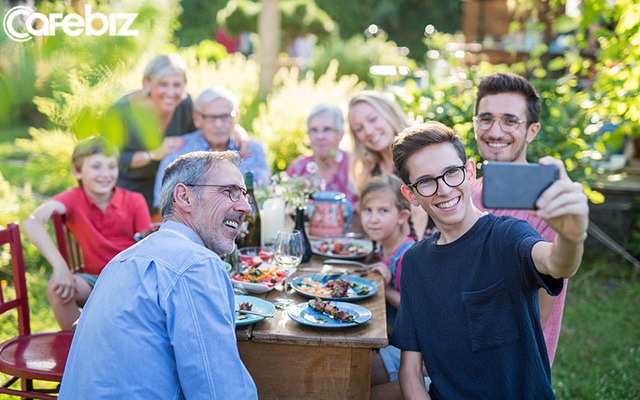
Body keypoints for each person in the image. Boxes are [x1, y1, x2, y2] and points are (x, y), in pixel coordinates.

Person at [390, 121, 588, 399]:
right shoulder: (414, 262)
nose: (444, 189)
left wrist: (571, 236)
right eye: (425, 181)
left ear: (469, 172)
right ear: (411, 194)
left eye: (451, 173)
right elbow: (410, 369)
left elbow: (557, 264)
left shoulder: (507, 235)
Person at [59, 150, 258, 399]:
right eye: (230, 192)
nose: (245, 206)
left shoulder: (123, 259)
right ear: (184, 197)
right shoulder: (196, 265)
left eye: (244, 194)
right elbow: (219, 392)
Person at [470, 72, 566, 366]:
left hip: (510, 366)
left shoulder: (545, 202)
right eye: (485, 118)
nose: (495, 131)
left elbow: (540, 311)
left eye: (510, 120)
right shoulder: (465, 193)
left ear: (532, 131)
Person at [22, 136, 151, 331]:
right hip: (95, 282)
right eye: (96, 166)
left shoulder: (135, 200)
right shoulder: (73, 199)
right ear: (77, 170)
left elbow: (148, 248)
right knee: (57, 288)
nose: (105, 174)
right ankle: (79, 344)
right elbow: (31, 223)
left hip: (131, 282)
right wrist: (60, 266)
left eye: (111, 166)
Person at [153, 86, 270, 209]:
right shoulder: (178, 152)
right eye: (211, 118)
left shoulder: (254, 150)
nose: (218, 124)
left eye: (225, 116)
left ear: (235, 116)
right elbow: (164, 207)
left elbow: (266, 200)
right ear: (197, 119)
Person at [106, 53, 196, 214]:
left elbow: (206, 128)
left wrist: (236, 131)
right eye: (163, 84)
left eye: (177, 85)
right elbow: (111, 156)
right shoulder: (121, 111)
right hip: (128, 188)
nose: (171, 92)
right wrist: (154, 154)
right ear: (147, 83)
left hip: (170, 187)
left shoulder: (185, 104)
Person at [359, 174, 419, 398]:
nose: (373, 219)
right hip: (385, 339)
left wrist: (385, 289)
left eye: (383, 211)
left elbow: (415, 310)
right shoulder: (384, 248)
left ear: (402, 216)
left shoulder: (408, 256)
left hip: (408, 354)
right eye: (368, 210)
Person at [348, 91, 428, 237]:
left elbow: (419, 217)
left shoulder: (418, 158)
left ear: (389, 113)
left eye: (372, 119)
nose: (369, 131)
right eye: (359, 128)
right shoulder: (370, 171)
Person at [287, 104, 357, 204]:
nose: (320, 136)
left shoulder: (356, 165)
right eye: (314, 130)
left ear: (340, 134)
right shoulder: (299, 167)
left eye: (327, 129)